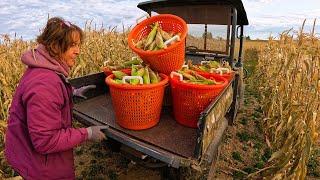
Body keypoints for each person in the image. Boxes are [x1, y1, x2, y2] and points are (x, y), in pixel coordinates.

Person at [5, 17, 107, 179]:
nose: (78, 51)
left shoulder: (43, 71)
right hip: (40, 166)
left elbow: (49, 96)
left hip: (29, 155)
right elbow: (45, 141)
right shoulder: (44, 85)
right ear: (55, 46)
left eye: (78, 45)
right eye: (73, 45)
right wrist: (86, 133)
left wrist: (72, 92)